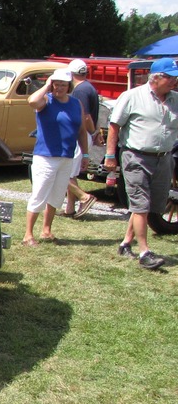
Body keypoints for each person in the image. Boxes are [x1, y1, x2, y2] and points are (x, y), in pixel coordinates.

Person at [104, 57, 178, 271]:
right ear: (156, 78)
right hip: (136, 157)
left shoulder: (175, 99)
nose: (174, 82)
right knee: (141, 204)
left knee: (149, 206)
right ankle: (145, 252)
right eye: (171, 78)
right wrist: (110, 155)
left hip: (164, 158)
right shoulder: (132, 96)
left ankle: (126, 243)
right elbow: (114, 126)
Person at [22, 69, 88, 246]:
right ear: (52, 84)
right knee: (40, 194)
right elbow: (32, 101)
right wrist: (46, 85)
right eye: (56, 84)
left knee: (57, 196)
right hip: (46, 156)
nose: (59, 87)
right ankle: (28, 235)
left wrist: (86, 154)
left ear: (69, 86)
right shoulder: (46, 101)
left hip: (67, 156)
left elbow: (81, 131)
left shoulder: (76, 104)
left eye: (63, 84)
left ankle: (46, 230)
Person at [62, 59, 101, 218]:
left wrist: (92, 132)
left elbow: (85, 116)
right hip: (84, 135)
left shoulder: (80, 91)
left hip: (81, 136)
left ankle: (84, 197)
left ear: (71, 74)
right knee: (72, 172)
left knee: (64, 172)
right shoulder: (88, 87)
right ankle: (69, 208)